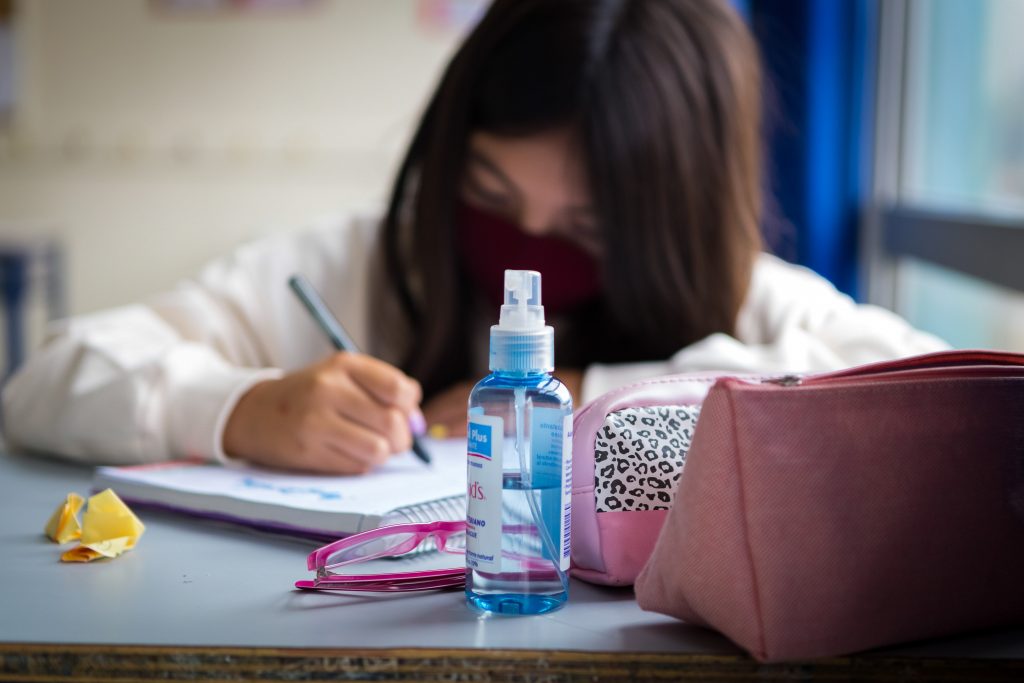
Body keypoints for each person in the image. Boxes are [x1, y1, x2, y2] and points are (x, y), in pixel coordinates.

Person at [1, 0, 946, 474]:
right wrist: (239, 410)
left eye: (585, 226)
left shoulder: (737, 291)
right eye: (490, 193)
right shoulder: (355, 262)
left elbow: (940, 399)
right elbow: (48, 380)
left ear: (669, 223)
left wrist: (585, 398)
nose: (524, 241)